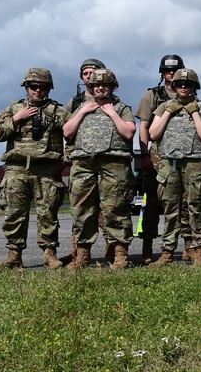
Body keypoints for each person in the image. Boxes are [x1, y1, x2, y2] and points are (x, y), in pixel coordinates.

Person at [0, 68, 69, 269]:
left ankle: (49, 254)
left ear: (49, 89)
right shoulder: (14, 109)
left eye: (43, 87)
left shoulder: (58, 112)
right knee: (14, 214)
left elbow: (74, 134)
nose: (38, 91)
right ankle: (14, 255)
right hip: (16, 170)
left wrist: (65, 160)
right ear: (26, 87)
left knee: (48, 214)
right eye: (33, 86)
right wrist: (17, 118)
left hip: (47, 171)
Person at [62, 69, 136, 269]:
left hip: (114, 164)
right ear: (91, 87)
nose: (100, 88)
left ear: (112, 87)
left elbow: (129, 132)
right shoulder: (81, 107)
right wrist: (83, 112)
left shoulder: (121, 108)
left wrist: (112, 113)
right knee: (82, 210)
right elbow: (67, 132)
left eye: (105, 85)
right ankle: (82, 256)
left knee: (115, 209)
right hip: (84, 164)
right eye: (96, 85)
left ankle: (120, 256)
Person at [148, 68, 201, 266]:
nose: (183, 87)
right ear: (174, 86)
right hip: (169, 163)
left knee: (195, 208)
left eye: (188, 84)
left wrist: (193, 112)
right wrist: (169, 111)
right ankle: (167, 253)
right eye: (179, 84)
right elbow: (153, 134)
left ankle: (199, 252)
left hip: (195, 163)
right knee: (170, 209)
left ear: (195, 86)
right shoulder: (164, 107)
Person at [135, 54, 184, 264]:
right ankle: (147, 249)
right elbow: (143, 126)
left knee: (183, 204)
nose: (171, 73)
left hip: (182, 157)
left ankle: (188, 247)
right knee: (151, 205)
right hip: (156, 157)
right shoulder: (152, 95)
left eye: (174, 70)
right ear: (162, 72)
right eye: (167, 70)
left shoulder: (189, 93)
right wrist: (144, 155)